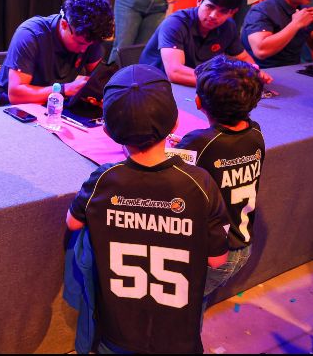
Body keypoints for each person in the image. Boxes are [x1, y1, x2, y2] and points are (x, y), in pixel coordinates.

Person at [65, 64, 229, 354]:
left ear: (107, 129)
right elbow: (218, 260)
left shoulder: (103, 180)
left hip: (117, 333)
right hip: (177, 337)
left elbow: (73, 224)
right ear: (176, 124)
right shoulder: (200, 183)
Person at [174, 56, 265, 310]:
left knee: (183, 307)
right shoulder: (255, 132)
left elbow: (167, 174)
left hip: (212, 251)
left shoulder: (198, 143)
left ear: (199, 102)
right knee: (196, 302)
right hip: (242, 246)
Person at [140, 0, 273, 86]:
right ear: (199, 1)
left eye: (223, 11)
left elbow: (242, 57)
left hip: (195, 85)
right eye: (210, 7)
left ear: (233, 12)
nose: (213, 15)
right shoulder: (175, 23)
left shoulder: (228, 26)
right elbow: (175, 72)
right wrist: (224, 82)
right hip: (154, 85)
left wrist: (254, 72)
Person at [0, 0, 114, 107]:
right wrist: (65, 89)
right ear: (64, 25)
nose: (84, 50)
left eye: (89, 45)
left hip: (53, 105)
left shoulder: (88, 36)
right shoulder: (30, 34)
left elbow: (99, 79)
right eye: (80, 43)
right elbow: (16, 95)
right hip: (10, 108)